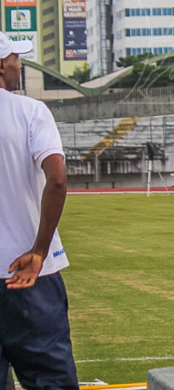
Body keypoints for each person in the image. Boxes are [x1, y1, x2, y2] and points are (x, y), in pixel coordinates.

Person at [0, 32, 79, 387]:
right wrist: (39, 251)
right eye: (16, 57)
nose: (19, 64)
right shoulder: (30, 111)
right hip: (30, 276)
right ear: (2, 65)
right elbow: (57, 179)